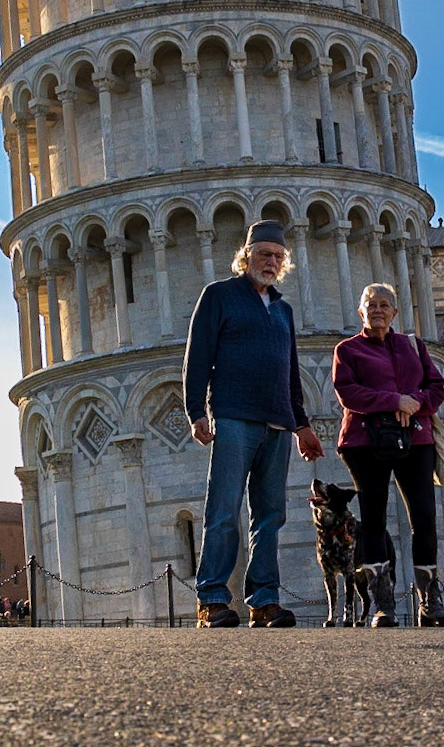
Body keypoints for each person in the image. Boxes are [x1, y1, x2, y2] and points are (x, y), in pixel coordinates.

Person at [183, 219, 324, 629]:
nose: (272, 262)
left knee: (269, 515)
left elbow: (290, 373)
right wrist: (196, 412)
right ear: (246, 257)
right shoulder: (219, 296)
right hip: (233, 418)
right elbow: (197, 359)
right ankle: (211, 599)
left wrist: (302, 426)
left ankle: (264, 600)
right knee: (223, 510)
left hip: (278, 425)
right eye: (264, 254)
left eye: (279, 257)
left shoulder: (283, 310)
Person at [332, 281, 444, 627]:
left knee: (424, 518)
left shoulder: (413, 347)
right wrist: (393, 402)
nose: (378, 310)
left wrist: (414, 405)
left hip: (414, 439)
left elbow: (436, 386)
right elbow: (348, 392)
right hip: (364, 442)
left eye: (385, 304)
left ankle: (429, 602)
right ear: (360, 312)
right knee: (373, 520)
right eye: (371, 304)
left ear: (395, 313)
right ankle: (383, 603)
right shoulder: (348, 350)